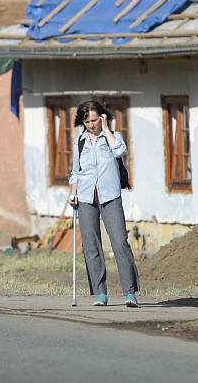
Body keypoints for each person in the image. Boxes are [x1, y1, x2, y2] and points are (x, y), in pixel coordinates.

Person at [68, 100, 140, 307]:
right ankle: (100, 293)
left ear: (102, 117)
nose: (92, 124)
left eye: (95, 119)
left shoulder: (111, 138)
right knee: (91, 246)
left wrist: (107, 128)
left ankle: (129, 292)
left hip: (110, 196)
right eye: (88, 121)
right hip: (86, 197)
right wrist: (73, 193)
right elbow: (76, 172)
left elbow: (120, 151)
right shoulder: (80, 141)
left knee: (120, 242)